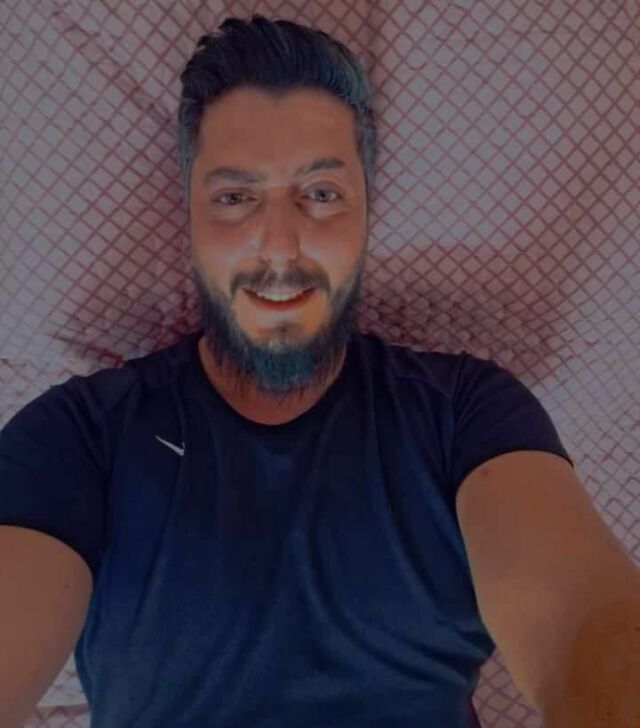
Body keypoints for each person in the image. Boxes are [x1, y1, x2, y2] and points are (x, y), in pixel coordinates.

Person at [0, 14, 577, 728]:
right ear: (189, 216)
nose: (279, 246)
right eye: (235, 198)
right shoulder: (76, 439)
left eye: (322, 194)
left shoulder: (467, 415)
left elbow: (589, 639)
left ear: (367, 211)